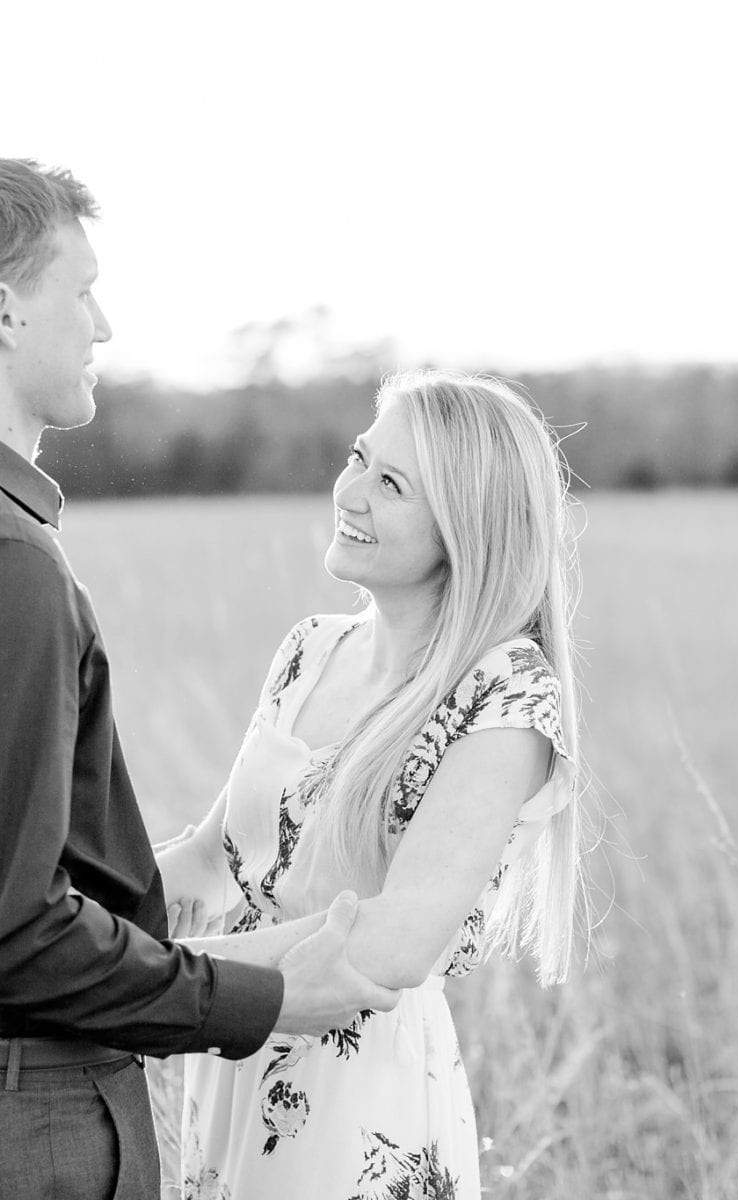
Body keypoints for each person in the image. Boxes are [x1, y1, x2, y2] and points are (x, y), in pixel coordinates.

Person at [0, 155, 396, 1200]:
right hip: (5, 1124)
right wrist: (253, 1000)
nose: (104, 325)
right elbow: (3, 934)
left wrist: (236, 949)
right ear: (4, 311)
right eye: (82, 289)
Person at [156, 369, 587, 1200]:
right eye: (359, 458)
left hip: (358, 1093)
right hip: (236, 1053)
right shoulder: (311, 648)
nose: (349, 492)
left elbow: (395, 941)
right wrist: (59, 921)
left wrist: (167, 983)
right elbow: (215, 859)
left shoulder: (505, 690)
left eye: (391, 484)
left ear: (466, 525)